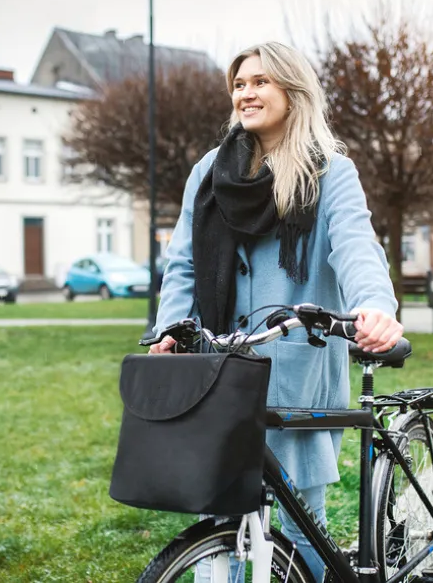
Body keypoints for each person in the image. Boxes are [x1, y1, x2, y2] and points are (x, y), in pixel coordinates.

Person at [150, 41, 403, 582]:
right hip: (217, 366)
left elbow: (357, 247)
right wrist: (170, 327)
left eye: (261, 81)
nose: (247, 93)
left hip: (295, 364)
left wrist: (376, 309)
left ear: (293, 89)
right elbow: (184, 264)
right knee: (216, 512)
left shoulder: (329, 170)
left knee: (298, 519)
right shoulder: (209, 172)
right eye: (239, 84)